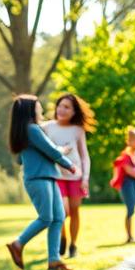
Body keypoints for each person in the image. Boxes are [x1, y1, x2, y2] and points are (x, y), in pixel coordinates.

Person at [5, 96, 79, 270]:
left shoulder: (28, 130)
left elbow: (39, 152)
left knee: (58, 217)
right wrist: (68, 164)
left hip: (48, 177)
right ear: (30, 110)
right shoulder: (32, 129)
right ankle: (18, 243)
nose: (41, 110)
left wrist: (60, 151)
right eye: (38, 107)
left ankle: (54, 260)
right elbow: (51, 150)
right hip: (38, 179)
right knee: (46, 217)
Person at [44, 93, 94, 259]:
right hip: (55, 176)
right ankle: (62, 238)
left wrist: (85, 178)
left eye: (67, 107)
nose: (61, 109)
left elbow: (84, 156)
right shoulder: (47, 127)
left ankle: (73, 245)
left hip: (76, 177)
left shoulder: (78, 130)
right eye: (60, 105)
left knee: (74, 211)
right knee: (62, 212)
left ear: (74, 112)